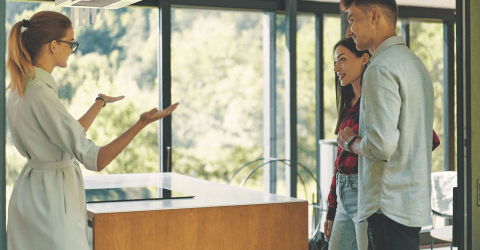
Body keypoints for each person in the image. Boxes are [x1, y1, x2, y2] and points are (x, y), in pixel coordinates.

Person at [6, 11, 179, 250]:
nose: (72, 50)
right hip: (52, 202)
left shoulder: (19, 88)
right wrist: (142, 123)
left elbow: (63, 135)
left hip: (30, 196)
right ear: (53, 46)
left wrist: (100, 102)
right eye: (71, 43)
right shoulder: (40, 94)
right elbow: (96, 159)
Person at [336, 0, 435, 249]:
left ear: (373, 16)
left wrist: (350, 142)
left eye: (351, 19)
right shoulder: (415, 64)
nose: (349, 31)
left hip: (386, 206)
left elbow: (380, 147)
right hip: (410, 204)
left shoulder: (379, 67)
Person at [324, 37, 371, 250]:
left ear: (364, 59)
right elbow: (339, 163)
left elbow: (426, 139)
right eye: (335, 61)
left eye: (342, 60)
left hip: (366, 194)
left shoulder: (377, 100)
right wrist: (331, 210)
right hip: (343, 195)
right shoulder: (348, 103)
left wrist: (357, 140)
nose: (336, 67)